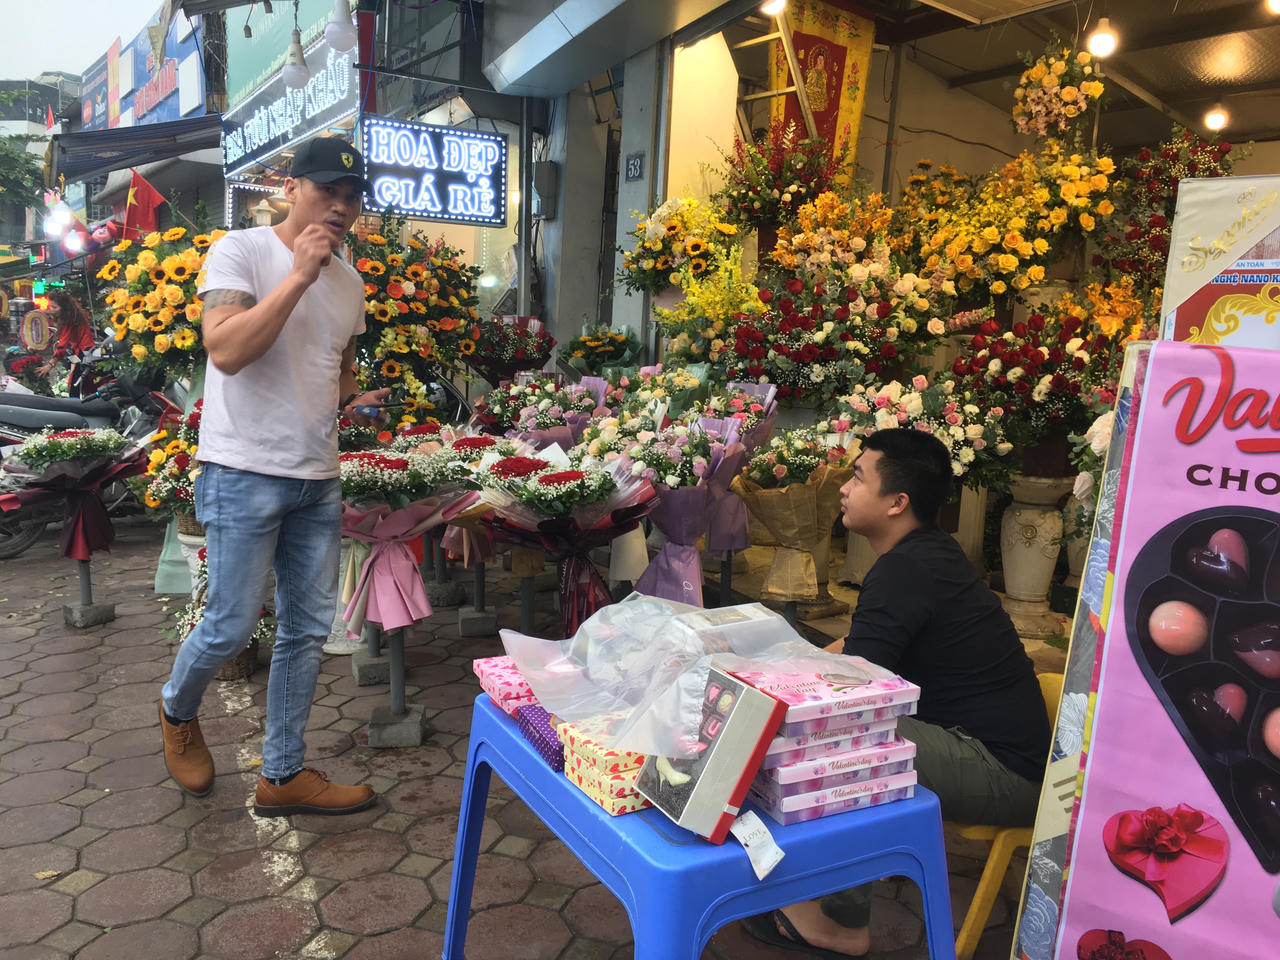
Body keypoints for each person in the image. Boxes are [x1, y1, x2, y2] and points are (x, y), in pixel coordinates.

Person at [743, 428, 1051, 959]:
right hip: (974, 743)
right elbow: (857, 649)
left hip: (1001, 769)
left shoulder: (908, 568)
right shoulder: (923, 556)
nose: (844, 486)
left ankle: (840, 923)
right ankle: (827, 874)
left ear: (897, 502)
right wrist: (772, 664)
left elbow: (855, 691)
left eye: (859, 476)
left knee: (842, 734)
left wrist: (777, 683)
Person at [157, 137, 390, 817]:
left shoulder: (352, 283)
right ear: (291, 187)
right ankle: (176, 709)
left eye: (352, 195)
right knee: (230, 626)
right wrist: (298, 275)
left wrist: (355, 397)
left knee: (308, 629)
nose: (342, 206)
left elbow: (337, 364)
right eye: (328, 191)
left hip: (316, 475)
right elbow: (225, 349)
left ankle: (282, 772)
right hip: (240, 470)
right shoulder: (240, 251)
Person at [34, 290, 96, 376]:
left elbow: (62, 344)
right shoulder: (73, 315)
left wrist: (50, 364)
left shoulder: (69, 319)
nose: (52, 310)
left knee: (75, 383)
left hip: (83, 352)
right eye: (50, 306)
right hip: (83, 350)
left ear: (64, 308)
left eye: (54, 307)